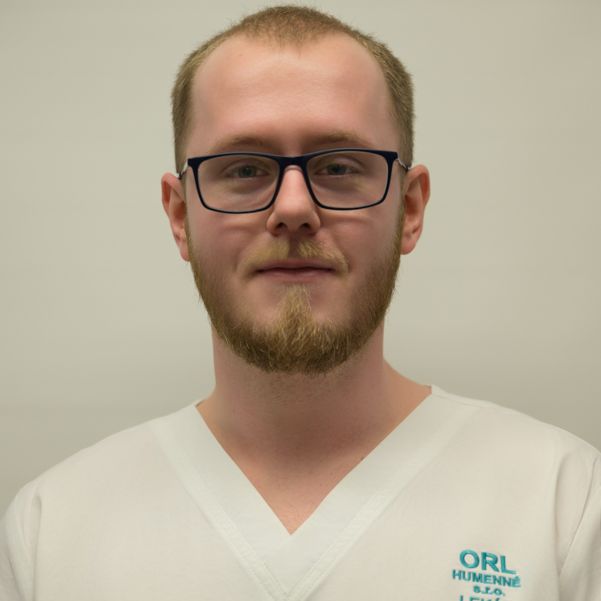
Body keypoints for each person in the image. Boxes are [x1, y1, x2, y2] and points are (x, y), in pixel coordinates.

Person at [1, 5, 599, 600]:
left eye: (339, 166)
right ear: (181, 216)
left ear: (410, 209)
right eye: (244, 169)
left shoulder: (563, 506)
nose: (292, 208)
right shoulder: (52, 531)